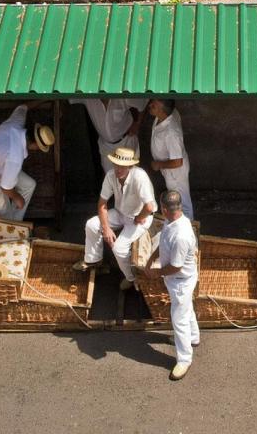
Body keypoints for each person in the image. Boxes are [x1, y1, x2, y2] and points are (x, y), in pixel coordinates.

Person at [73, 146, 156, 291]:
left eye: (123, 166)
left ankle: (132, 278)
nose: (119, 169)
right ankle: (94, 261)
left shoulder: (139, 176)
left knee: (119, 248)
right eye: (117, 165)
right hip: (120, 212)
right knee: (92, 224)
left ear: (130, 166)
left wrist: (139, 217)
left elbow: (149, 207)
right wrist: (106, 228)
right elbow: (101, 204)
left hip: (140, 217)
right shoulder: (111, 175)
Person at [143, 190, 200, 381]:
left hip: (181, 281)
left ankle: (184, 359)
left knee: (179, 319)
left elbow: (175, 267)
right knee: (186, 310)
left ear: (166, 209)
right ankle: (193, 338)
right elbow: (164, 242)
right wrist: (152, 258)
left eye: (162, 208)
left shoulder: (182, 235)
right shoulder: (172, 221)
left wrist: (155, 273)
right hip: (177, 280)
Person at [69, 98, 147, 174]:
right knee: (111, 180)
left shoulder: (122, 94)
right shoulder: (89, 97)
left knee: (129, 178)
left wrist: (138, 123)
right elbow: (67, 96)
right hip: (106, 146)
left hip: (126, 142)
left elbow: (143, 102)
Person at [148, 99, 193, 219]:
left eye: (154, 105)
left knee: (182, 202)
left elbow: (178, 162)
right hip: (170, 171)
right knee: (178, 199)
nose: (150, 104)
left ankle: (190, 228)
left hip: (175, 173)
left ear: (163, 110)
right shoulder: (166, 115)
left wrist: (158, 165)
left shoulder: (171, 132)